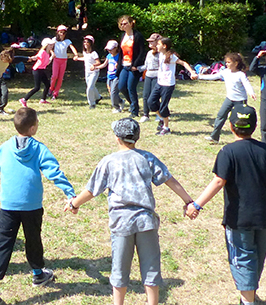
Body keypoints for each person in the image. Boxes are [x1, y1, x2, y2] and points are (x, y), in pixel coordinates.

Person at [65, 118, 195, 305]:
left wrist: (74, 204)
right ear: (137, 138)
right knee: (151, 269)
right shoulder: (147, 158)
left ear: (117, 138)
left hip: (121, 223)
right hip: (146, 222)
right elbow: (169, 179)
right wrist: (188, 201)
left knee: (119, 269)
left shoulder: (109, 162)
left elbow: (92, 190)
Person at [186, 104, 266, 305]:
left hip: (239, 219)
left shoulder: (228, 152)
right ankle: (249, 295)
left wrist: (197, 204)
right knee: (257, 257)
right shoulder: (265, 150)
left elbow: (219, 181)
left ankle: (247, 301)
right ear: (255, 126)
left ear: (230, 126)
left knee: (243, 259)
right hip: (263, 217)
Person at [0, 107, 76, 305]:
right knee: (33, 239)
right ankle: (37, 273)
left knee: (3, 242)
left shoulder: (6, 146)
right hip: (32, 206)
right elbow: (54, 172)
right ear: (33, 128)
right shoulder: (39, 148)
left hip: (8, 205)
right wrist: (70, 193)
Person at [198, 52, 256, 143]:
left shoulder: (240, 74)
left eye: (229, 62)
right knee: (220, 116)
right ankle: (214, 137)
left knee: (240, 120)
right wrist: (199, 76)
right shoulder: (225, 72)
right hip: (229, 99)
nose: (226, 64)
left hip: (240, 101)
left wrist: (251, 93)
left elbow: (247, 84)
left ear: (236, 63)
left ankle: (241, 138)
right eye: (226, 62)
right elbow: (213, 77)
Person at [147, 37, 197, 136]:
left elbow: (184, 63)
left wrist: (192, 72)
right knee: (151, 102)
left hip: (168, 84)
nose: (156, 46)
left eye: (158, 44)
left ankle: (166, 128)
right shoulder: (160, 54)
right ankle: (161, 118)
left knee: (163, 107)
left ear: (164, 46)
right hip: (159, 83)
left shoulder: (171, 56)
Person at [0, 48, 31, 114]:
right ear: (3, 56)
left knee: (5, 93)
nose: (7, 62)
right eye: (6, 60)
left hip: (0, 77)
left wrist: (28, 58)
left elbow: (20, 58)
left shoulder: (10, 59)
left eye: (9, 60)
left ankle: (1, 109)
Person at [116, 15, 147, 118]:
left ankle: (134, 111)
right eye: (121, 24)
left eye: (125, 23)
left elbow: (142, 52)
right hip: (124, 65)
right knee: (121, 87)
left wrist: (136, 65)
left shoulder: (137, 36)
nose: (123, 25)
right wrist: (119, 64)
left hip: (134, 66)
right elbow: (121, 52)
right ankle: (132, 104)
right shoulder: (122, 36)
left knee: (131, 88)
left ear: (131, 24)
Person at [18, 38, 55, 108]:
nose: (52, 46)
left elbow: (46, 63)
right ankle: (24, 99)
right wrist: (31, 58)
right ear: (46, 45)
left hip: (41, 70)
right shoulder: (42, 52)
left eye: (52, 45)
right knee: (37, 87)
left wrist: (52, 57)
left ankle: (43, 99)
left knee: (47, 85)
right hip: (37, 70)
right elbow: (36, 57)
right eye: (50, 45)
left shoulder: (47, 54)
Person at [48, 25, 78, 103]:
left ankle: (56, 92)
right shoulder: (54, 40)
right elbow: (50, 48)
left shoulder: (67, 41)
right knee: (54, 76)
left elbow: (72, 47)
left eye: (64, 33)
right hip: (56, 59)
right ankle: (51, 88)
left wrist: (76, 54)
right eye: (60, 32)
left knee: (60, 77)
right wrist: (52, 53)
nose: (62, 34)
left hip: (63, 60)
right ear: (57, 32)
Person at [92, 40, 123, 113]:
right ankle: (121, 101)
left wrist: (118, 65)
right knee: (111, 93)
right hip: (109, 76)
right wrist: (96, 67)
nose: (109, 51)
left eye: (111, 49)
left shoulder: (119, 56)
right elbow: (104, 64)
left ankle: (117, 107)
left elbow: (122, 65)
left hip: (116, 76)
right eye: (108, 49)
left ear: (116, 48)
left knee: (113, 92)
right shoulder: (109, 56)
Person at [73, 35, 101, 109]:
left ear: (91, 43)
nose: (85, 43)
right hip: (87, 72)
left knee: (89, 88)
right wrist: (78, 58)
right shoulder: (85, 52)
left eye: (87, 42)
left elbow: (98, 62)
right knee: (91, 86)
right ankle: (98, 97)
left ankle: (92, 103)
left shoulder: (94, 53)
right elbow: (85, 59)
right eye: (84, 42)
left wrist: (94, 65)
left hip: (94, 72)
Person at [138, 33, 161, 122]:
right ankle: (145, 114)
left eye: (152, 41)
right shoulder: (149, 53)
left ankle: (159, 114)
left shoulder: (160, 54)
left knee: (154, 96)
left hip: (157, 76)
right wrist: (137, 68)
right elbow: (146, 66)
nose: (150, 43)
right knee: (145, 95)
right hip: (148, 75)